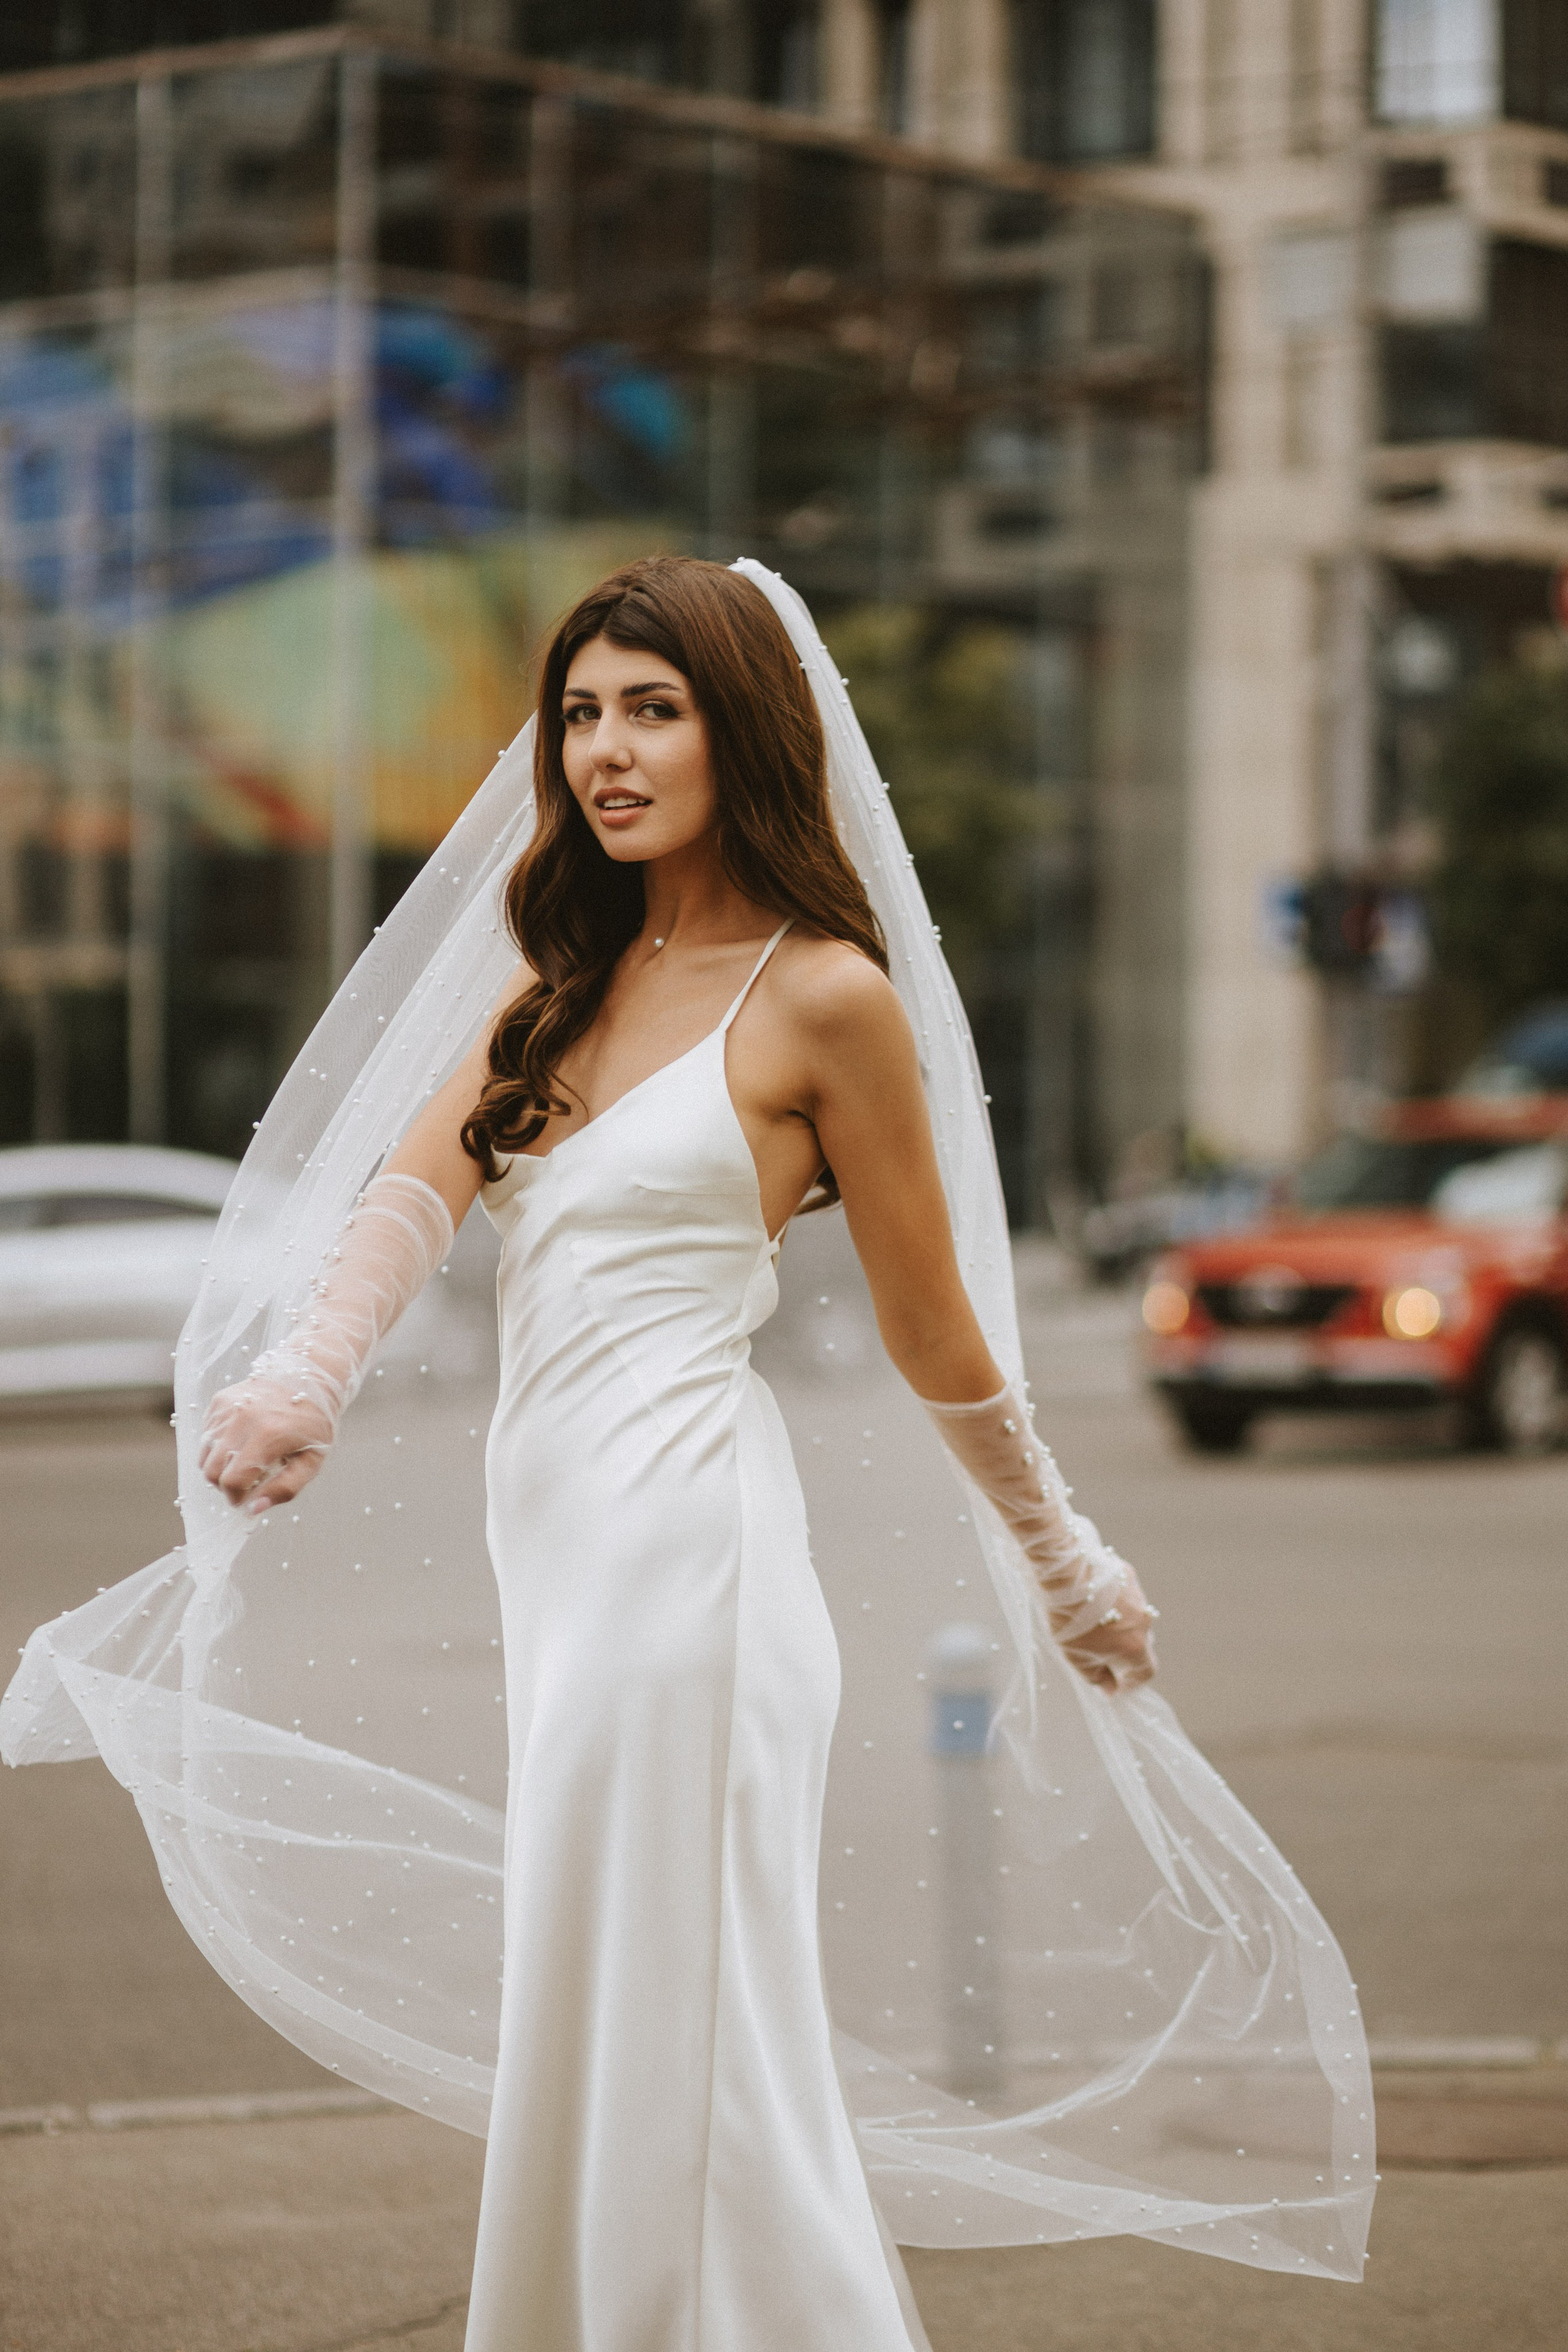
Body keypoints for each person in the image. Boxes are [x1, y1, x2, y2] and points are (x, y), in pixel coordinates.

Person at [2, 559, 1371, 2351]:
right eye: (581, 714)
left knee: (686, 1996)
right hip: (558, 1556)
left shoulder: (824, 998)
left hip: (692, 1556)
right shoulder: (561, 976)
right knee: (597, 1979)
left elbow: (937, 1331)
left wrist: (1065, 1561)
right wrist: (308, 1375)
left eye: (654, 711)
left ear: (747, 737)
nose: (607, 751)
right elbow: (417, 1184)